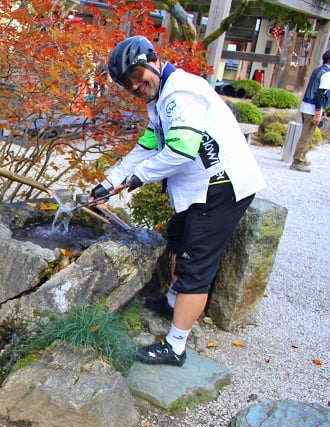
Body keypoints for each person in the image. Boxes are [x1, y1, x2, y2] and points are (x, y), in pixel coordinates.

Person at [89, 35, 266, 366]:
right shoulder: (159, 99)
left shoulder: (181, 92)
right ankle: (172, 301)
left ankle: (175, 346)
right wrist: (109, 181)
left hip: (222, 186)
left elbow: (181, 150)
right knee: (179, 237)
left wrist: (136, 178)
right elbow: (147, 145)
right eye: (129, 85)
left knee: (196, 262)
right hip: (201, 187)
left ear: (153, 61)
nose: (136, 88)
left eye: (138, 78)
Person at [291, 49, 330, 173]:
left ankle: (301, 157)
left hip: (306, 105)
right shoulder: (327, 73)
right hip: (313, 107)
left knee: (306, 134)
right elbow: (320, 94)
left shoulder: (318, 70)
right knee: (306, 135)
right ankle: (298, 160)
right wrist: (318, 112)